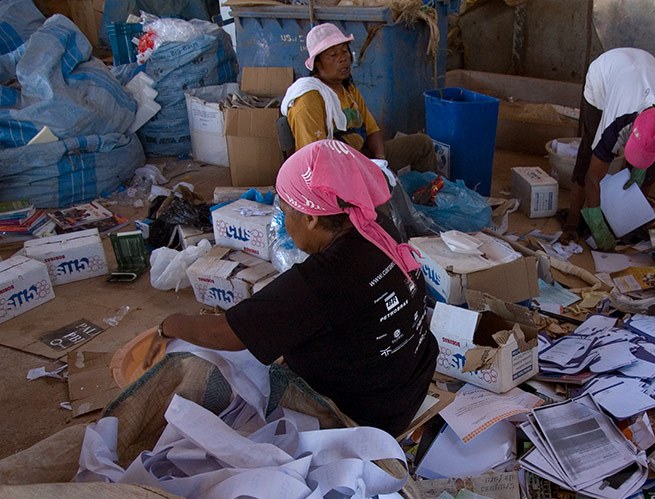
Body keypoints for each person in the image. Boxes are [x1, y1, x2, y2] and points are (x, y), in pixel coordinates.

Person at [145, 140, 439, 436]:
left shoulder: (323, 278)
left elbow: (226, 333)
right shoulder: (375, 225)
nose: (284, 222)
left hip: (368, 415)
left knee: (212, 369)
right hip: (410, 382)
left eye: (286, 211)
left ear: (311, 218)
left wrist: (168, 325)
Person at [563, 48, 655, 251]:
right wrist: (596, 224)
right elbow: (593, 178)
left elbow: (654, 146)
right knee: (588, 152)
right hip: (605, 75)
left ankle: (631, 220)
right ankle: (572, 223)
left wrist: (641, 172)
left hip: (645, 63)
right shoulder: (615, 125)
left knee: (648, 170)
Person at [281, 23, 438, 174]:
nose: (342, 59)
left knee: (422, 144)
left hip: (362, 157)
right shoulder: (308, 100)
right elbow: (314, 160)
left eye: (344, 51)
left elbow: (372, 130)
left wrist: (380, 162)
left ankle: (426, 197)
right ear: (317, 64)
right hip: (336, 171)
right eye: (333, 55)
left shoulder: (347, 88)